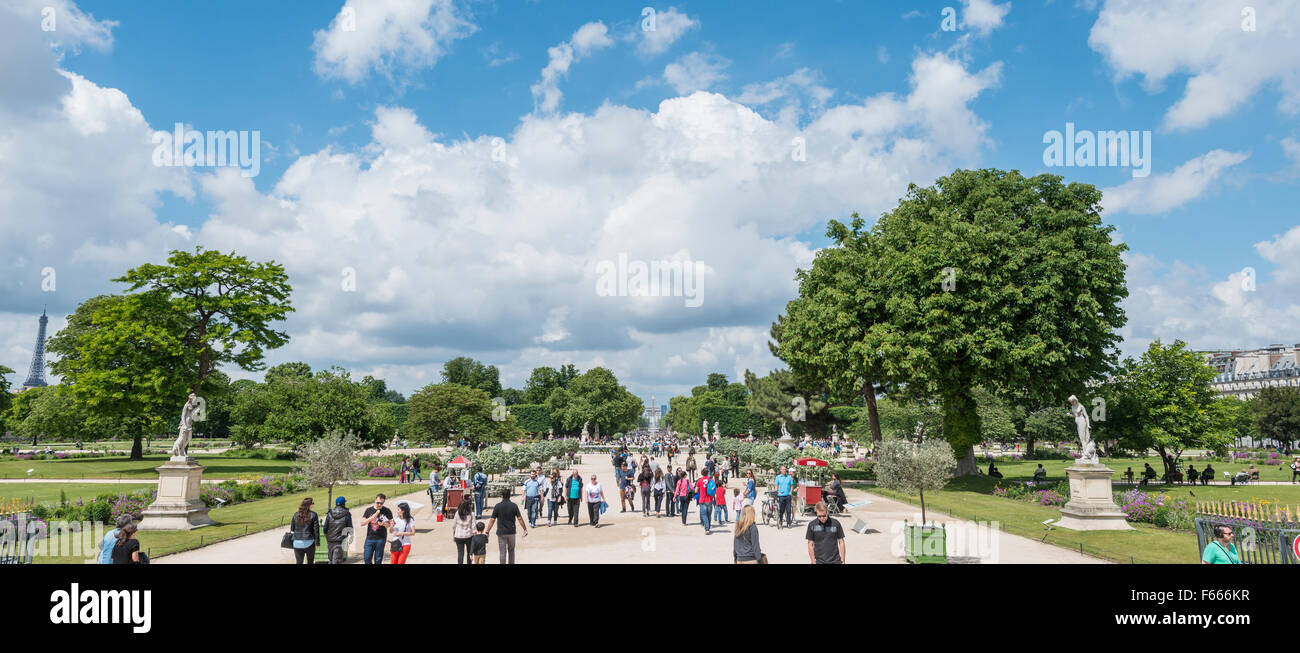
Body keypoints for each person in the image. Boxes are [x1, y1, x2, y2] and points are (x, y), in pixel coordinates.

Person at [486, 488, 527, 564]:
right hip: (511, 532)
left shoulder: (497, 506)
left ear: (502, 496)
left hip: (501, 532)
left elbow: (492, 520)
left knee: (502, 552)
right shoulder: (514, 506)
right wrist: (524, 529)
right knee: (511, 551)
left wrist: (487, 531)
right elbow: (519, 518)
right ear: (510, 496)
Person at [361, 494, 393, 565]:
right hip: (370, 538)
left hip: (381, 539)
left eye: (381, 503)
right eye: (378, 502)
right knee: (367, 559)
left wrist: (384, 524)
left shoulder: (386, 511)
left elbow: (391, 524)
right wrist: (372, 517)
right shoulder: (369, 510)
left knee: (378, 560)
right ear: (375, 500)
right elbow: (362, 523)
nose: (379, 504)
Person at [289, 497, 320, 565]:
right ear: (309, 505)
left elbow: (292, 529)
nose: (313, 504)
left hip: (297, 542)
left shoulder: (296, 514)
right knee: (310, 561)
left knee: (299, 562)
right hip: (309, 542)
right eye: (312, 503)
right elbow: (316, 530)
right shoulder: (314, 514)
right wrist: (318, 543)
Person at [323, 496, 353, 565]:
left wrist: (327, 536)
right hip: (340, 541)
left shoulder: (330, 513)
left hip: (330, 541)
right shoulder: (347, 514)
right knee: (337, 561)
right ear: (343, 504)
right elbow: (350, 528)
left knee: (331, 560)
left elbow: (325, 528)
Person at [452, 497, 475, 564]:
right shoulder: (471, 514)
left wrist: (453, 534)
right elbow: (473, 526)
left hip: (458, 536)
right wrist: (475, 535)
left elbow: (454, 526)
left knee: (460, 553)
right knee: (469, 553)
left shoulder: (457, 513)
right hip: (469, 536)